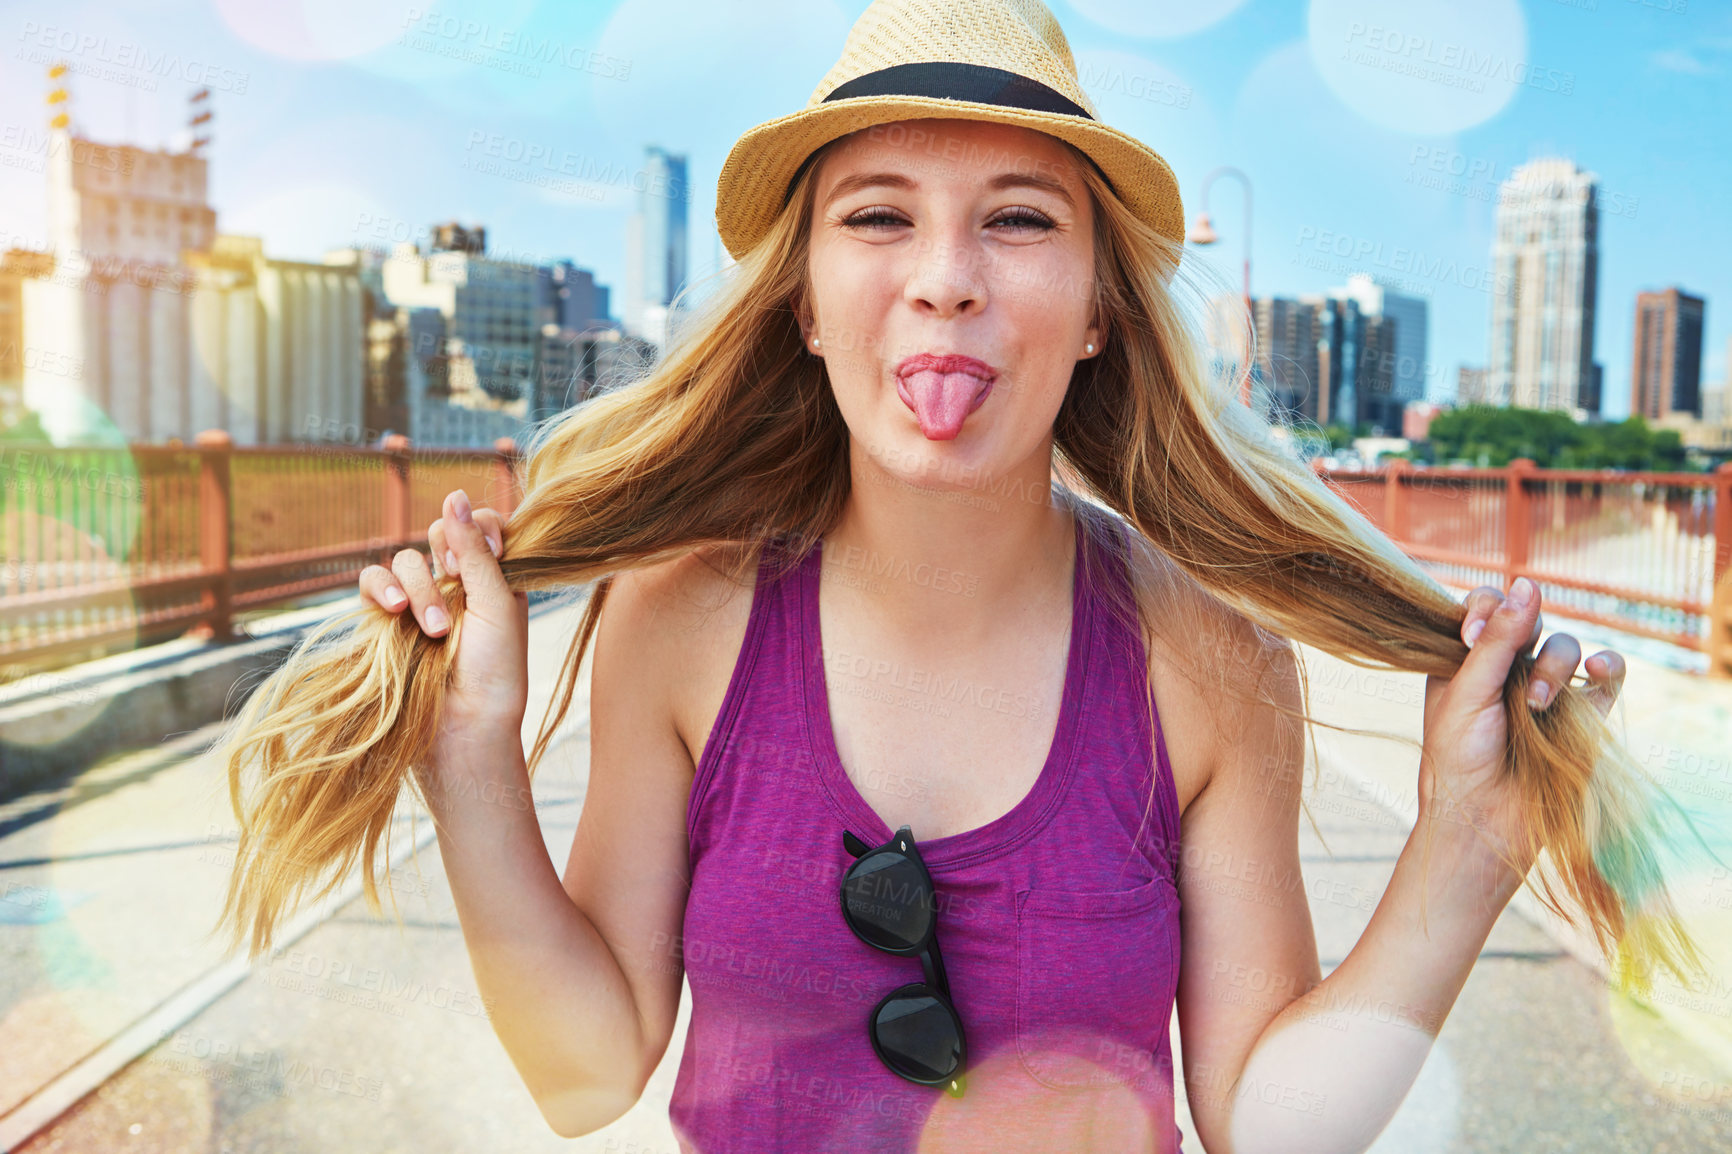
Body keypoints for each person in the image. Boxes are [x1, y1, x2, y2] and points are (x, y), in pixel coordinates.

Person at [211, 1, 1700, 1151]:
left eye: (1020, 216)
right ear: (803, 304)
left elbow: (1266, 1115)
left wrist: (1469, 846)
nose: (947, 276)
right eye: (878, 215)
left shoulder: (1210, 656)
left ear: (1103, 311)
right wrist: (470, 755)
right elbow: (585, 1067)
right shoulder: (682, 615)